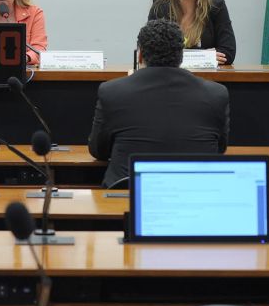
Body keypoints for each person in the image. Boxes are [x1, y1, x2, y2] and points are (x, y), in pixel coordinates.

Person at [88, 19, 229, 188]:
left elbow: (98, 151)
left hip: (127, 194)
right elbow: (219, 148)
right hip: (194, 193)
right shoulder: (216, 94)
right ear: (181, 56)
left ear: (140, 55)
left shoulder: (112, 91)